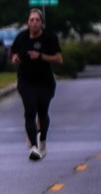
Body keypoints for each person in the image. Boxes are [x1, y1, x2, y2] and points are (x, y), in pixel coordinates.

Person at [10, 8, 63, 161]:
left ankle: (42, 139)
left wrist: (40, 56)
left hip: (45, 81)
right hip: (26, 80)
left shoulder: (49, 37)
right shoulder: (22, 37)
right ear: (27, 23)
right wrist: (15, 58)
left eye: (37, 20)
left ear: (42, 23)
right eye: (31, 20)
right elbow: (13, 53)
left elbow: (59, 59)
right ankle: (33, 146)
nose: (34, 23)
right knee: (30, 111)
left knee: (42, 112)